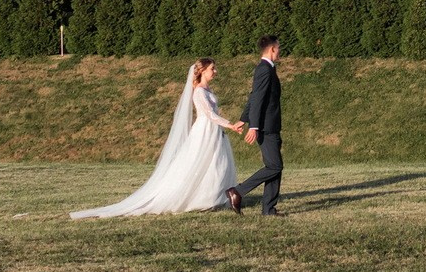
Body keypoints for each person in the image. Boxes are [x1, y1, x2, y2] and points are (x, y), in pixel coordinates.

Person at [70, 60, 243, 218]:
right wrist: (231, 125)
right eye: (212, 69)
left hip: (213, 130)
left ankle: (213, 196)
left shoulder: (208, 90)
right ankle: (200, 198)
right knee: (200, 163)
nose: (215, 71)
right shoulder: (198, 92)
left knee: (216, 163)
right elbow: (210, 115)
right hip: (204, 131)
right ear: (203, 71)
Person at [226, 35, 284, 216]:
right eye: (279, 48)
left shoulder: (268, 68)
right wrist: (254, 126)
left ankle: (269, 209)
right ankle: (237, 191)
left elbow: (254, 96)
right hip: (265, 127)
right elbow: (257, 99)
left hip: (271, 125)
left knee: (274, 166)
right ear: (272, 49)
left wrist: (243, 119)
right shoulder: (264, 69)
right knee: (275, 166)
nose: (280, 51)